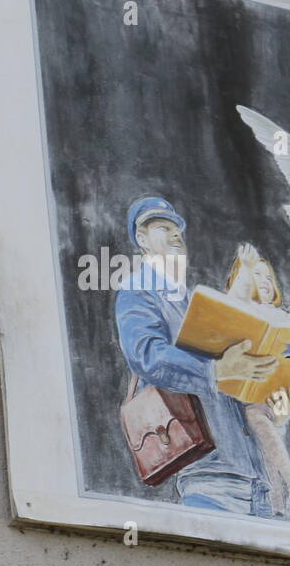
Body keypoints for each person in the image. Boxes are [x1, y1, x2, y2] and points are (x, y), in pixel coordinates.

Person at [114, 196, 278, 516]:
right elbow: (145, 354)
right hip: (210, 478)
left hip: (256, 478)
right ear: (142, 239)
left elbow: (231, 373)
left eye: (178, 229)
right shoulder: (137, 290)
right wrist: (214, 372)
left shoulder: (193, 301)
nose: (176, 235)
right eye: (163, 228)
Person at [225, 243, 290, 521]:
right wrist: (245, 269)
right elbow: (233, 304)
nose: (266, 282)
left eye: (269, 277)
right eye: (258, 276)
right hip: (246, 392)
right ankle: (283, 502)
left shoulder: (276, 314)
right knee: (264, 438)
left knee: (265, 427)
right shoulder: (242, 308)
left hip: (274, 394)